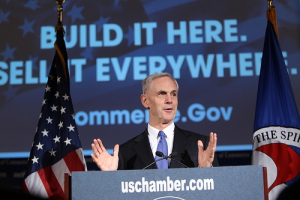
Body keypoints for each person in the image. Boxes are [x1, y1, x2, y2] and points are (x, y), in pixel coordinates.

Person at [91, 72, 218, 170]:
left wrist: (206, 172)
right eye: (162, 94)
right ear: (145, 101)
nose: (170, 100)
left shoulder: (200, 146)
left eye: (173, 94)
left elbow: (222, 191)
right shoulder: (126, 153)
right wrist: (110, 178)